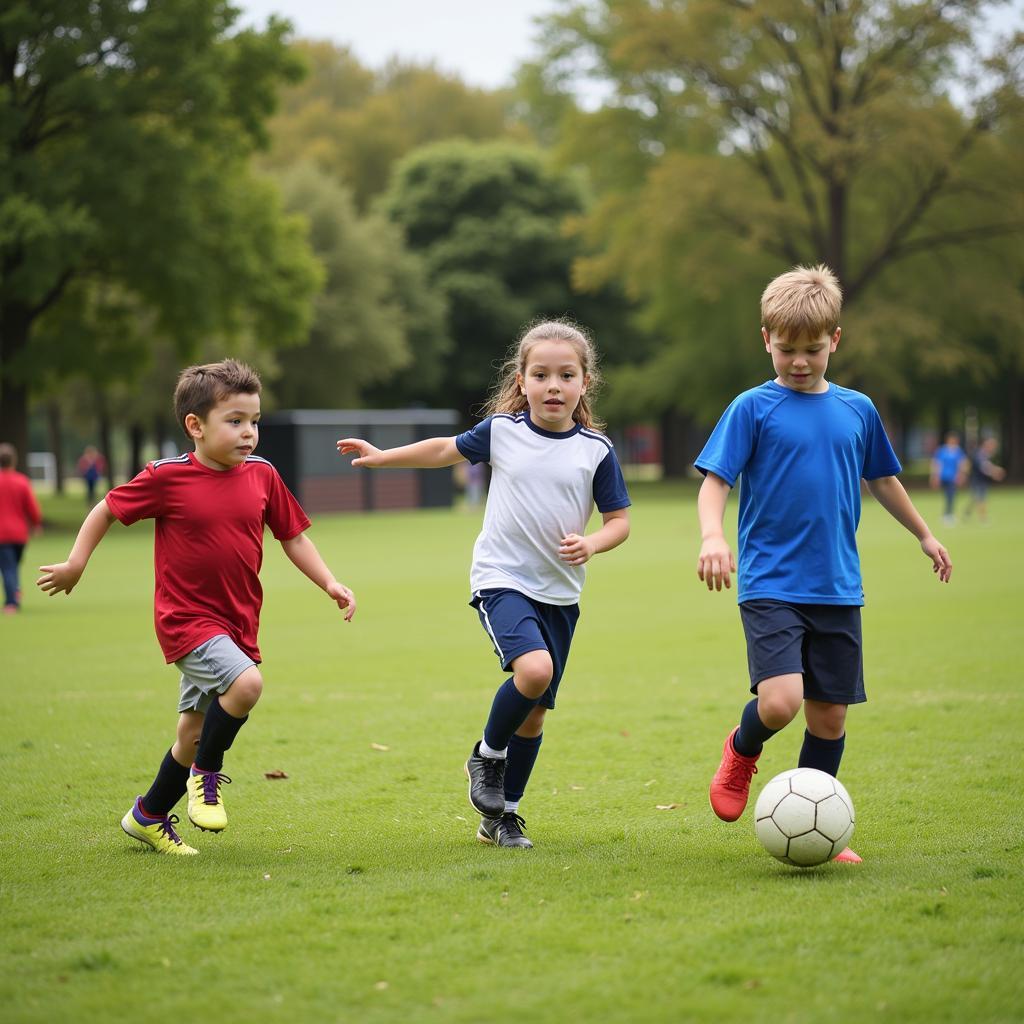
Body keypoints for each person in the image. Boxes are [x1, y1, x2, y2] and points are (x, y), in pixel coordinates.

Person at [37, 359, 356, 856]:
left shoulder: (263, 475)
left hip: (237, 623)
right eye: (234, 421)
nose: (248, 432)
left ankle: (147, 815)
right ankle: (206, 775)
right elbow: (106, 508)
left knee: (190, 732)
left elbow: (292, 537)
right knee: (246, 685)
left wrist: (330, 582)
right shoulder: (167, 478)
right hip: (185, 621)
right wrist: (76, 563)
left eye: (254, 421)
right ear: (196, 425)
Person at [338, 320, 631, 849]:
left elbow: (619, 522)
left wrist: (593, 544)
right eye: (540, 374)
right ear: (521, 380)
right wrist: (383, 457)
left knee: (536, 712)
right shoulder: (503, 432)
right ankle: (487, 756)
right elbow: (442, 450)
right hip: (503, 579)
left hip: (561, 594)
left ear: (585, 383)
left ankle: (503, 816)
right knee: (534, 671)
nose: (553, 385)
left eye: (566, 375)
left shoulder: (596, 450)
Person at [694, 265, 952, 865]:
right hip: (770, 583)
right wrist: (713, 536)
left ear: (835, 339)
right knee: (781, 702)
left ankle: (821, 827)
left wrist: (924, 533)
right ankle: (741, 750)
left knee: (829, 716)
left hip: (837, 585)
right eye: (787, 350)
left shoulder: (858, 410)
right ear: (766, 340)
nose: (800, 362)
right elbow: (714, 483)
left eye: (812, 349)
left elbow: (882, 478)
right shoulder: (752, 409)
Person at [0, 443, 43, 614]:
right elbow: (32, 507)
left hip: (2, 535)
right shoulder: (22, 481)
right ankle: (15, 591)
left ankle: (11, 602)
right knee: (12, 566)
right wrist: (36, 524)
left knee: (8, 568)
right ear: (14, 461)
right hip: (19, 535)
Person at [963, 436, 1005, 523]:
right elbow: (984, 467)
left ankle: (967, 514)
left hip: (981, 480)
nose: (993, 448)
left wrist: (993, 472)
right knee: (980, 498)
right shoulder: (980, 454)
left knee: (975, 498)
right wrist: (995, 471)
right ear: (986, 444)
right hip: (976, 480)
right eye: (992, 445)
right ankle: (983, 518)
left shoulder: (985, 454)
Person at [930, 431, 968, 526]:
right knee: (948, 495)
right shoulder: (942, 450)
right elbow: (937, 463)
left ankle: (948, 514)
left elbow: (962, 463)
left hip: (953, 477)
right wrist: (935, 476)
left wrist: (962, 475)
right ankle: (947, 515)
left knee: (951, 495)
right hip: (943, 476)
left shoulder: (958, 451)